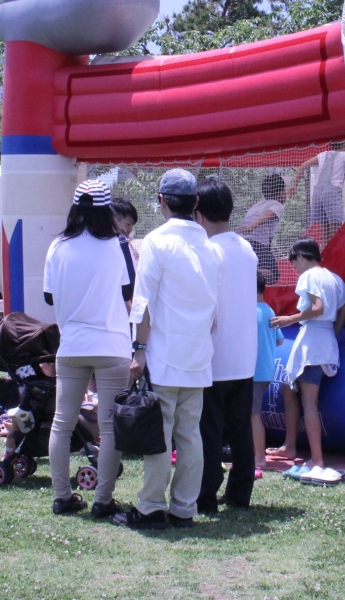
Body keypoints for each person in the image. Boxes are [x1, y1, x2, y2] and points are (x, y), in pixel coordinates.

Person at [115, 168, 222, 529]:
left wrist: (139, 349)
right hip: (198, 356)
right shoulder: (211, 248)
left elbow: (143, 302)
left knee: (159, 436)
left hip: (163, 355)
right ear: (196, 202)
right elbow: (214, 312)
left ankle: (150, 507)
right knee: (190, 436)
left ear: (161, 201)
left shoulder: (156, 242)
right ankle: (183, 509)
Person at [43, 179, 133, 519]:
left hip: (71, 344)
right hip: (112, 344)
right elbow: (129, 291)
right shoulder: (118, 245)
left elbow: (49, 297)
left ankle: (62, 496)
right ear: (107, 211)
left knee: (62, 423)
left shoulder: (58, 246)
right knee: (109, 427)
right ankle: (103, 500)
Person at [194, 179, 260, 513]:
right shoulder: (246, 248)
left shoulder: (208, 250)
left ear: (198, 214)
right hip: (244, 355)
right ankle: (239, 493)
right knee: (240, 429)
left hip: (214, 354)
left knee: (209, 430)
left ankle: (205, 494)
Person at [268, 238, 345, 474]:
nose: (294, 267)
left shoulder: (310, 275)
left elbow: (317, 308)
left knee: (309, 400)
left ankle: (317, 459)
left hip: (313, 341)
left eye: (294, 261)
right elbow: (344, 309)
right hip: (323, 338)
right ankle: (289, 446)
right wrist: (333, 334)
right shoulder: (334, 278)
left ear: (302, 256)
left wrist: (289, 319)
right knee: (288, 388)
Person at [290, 143, 345, 246]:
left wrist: (294, 185)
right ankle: (333, 254)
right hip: (332, 193)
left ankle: (323, 253)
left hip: (317, 194)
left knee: (325, 233)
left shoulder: (322, 154)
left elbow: (303, 165)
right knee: (335, 231)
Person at [251, 273, 283, 471]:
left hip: (254, 372)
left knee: (253, 415)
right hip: (266, 372)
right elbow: (279, 340)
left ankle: (260, 458)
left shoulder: (251, 312)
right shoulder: (269, 310)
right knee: (251, 414)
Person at [238, 174, 286, 284]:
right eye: (284, 190)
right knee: (273, 275)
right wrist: (252, 226)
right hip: (256, 244)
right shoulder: (277, 205)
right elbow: (269, 213)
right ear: (280, 192)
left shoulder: (257, 205)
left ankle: (252, 271)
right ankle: (254, 272)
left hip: (242, 243)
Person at [112, 198, 139, 304]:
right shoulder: (120, 243)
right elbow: (128, 290)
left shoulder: (125, 243)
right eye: (128, 224)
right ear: (115, 219)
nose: (130, 229)